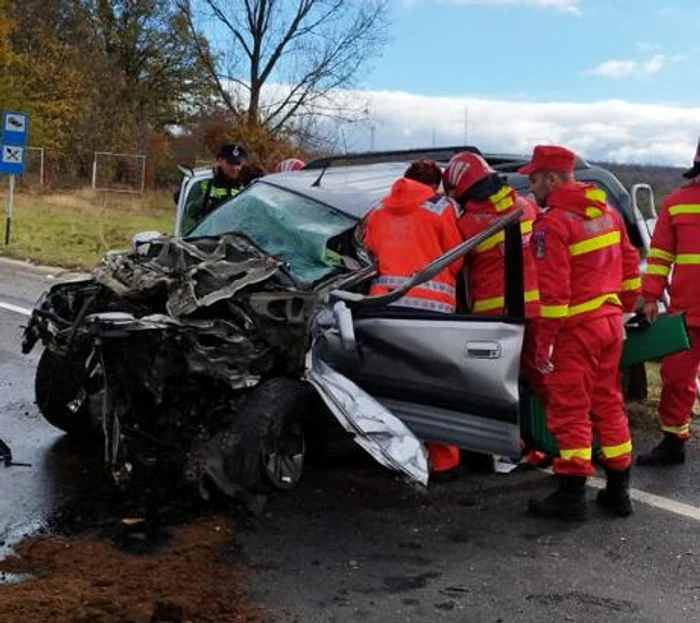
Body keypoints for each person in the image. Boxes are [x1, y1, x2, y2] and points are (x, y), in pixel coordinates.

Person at [521, 145, 641, 521]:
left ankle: (571, 497)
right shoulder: (606, 212)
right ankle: (619, 490)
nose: (531, 186)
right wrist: (625, 304)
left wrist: (544, 345)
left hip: (575, 331)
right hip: (609, 324)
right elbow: (629, 263)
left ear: (553, 179)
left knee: (569, 409)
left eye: (535, 178)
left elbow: (553, 296)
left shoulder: (552, 223)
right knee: (607, 403)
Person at [364, 159, 463, 475]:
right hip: (432, 312)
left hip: (384, 307)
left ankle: (397, 456)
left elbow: (369, 251)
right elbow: (456, 258)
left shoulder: (378, 209)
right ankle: (444, 459)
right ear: (434, 185)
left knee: (392, 385)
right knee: (435, 388)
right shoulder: (440, 207)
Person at [442, 152, 542, 390]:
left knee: (496, 388)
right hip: (539, 311)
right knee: (540, 382)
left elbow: (454, 272)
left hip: (494, 321)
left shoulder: (466, 224)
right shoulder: (525, 206)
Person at [637, 136, 700, 466]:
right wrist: (650, 296)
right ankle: (674, 443)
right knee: (676, 380)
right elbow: (660, 256)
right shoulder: (676, 203)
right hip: (687, 313)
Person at [187, 143, 248, 223]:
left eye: (238, 163)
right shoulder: (203, 181)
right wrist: (202, 201)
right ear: (219, 161)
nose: (235, 168)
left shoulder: (245, 185)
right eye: (230, 163)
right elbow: (189, 212)